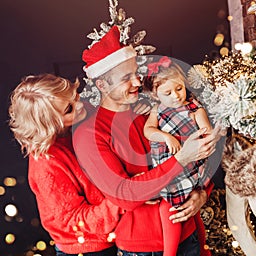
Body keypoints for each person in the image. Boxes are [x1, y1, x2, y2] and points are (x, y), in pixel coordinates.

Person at [73, 25, 223, 255]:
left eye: (136, 73)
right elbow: (123, 195)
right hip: (144, 248)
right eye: (125, 78)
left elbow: (201, 151)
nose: (136, 83)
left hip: (188, 234)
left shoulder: (152, 109)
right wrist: (181, 159)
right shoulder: (89, 135)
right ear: (102, 85)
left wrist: (202, 192)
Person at [8, 74, 122, 256]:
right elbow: (74, 220)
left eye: (75, 96)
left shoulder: (78, 120)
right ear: (48, 124)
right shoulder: (45, 164)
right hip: (86, 249)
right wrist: (123, 200)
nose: (80, 105)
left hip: (115, 236)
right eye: (68, 109)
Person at [143, 56, 213, 256]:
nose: (175, 96)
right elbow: (148, 131)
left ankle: (179, 252)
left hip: (189, 166)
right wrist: (165, 137)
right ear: (155, 95)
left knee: (175, 207)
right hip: (166, 164)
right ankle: (192, 250)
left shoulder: (194, 108)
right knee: (178, 210)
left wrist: (203, 133)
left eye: (179, 89)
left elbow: (205, 131)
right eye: (167, 93)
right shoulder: (157, 110)